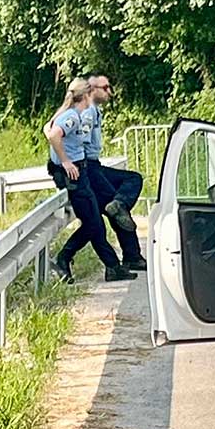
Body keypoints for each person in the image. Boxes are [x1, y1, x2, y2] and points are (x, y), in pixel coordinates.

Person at [44, 77, 135, 284]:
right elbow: (54, 136)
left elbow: (47, 129)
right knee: (94, 223)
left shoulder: (65, 113)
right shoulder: (74, 116)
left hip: (79, 173)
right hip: (75, 175)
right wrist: (65, 161)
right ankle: (64, 258)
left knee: (95, 223)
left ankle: (112, 267)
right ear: (85, 95)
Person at [82, 74, 146, 270]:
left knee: (126, 192)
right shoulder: (88, 113)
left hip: (94, 165)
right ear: (92, 90)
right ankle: (131, 257)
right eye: (106, 87)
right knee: (117, 208)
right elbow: (79, 141)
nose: (110, 91)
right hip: (88, 167)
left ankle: (131, 255)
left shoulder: (95, 111)